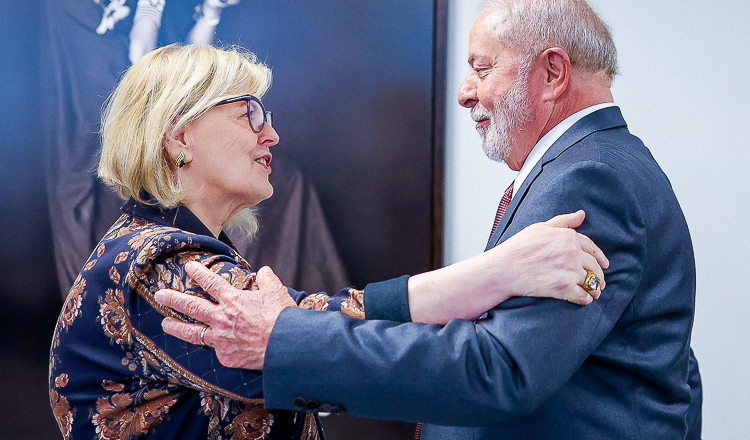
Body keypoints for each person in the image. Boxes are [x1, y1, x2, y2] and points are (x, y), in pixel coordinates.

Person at [155, 1, 703, 439]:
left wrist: (286, 339)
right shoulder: (597, 167)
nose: (465, 93)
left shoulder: (591, 180)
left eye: (482, 69)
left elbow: (499, 369)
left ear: (553, 73)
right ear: (178, 137)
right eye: (247, 114)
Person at [49, 43, 609, 440]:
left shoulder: (161, 251)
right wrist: (501, 272)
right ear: (179, 135)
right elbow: (307, 335)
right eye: (249, 112)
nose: (271, 133)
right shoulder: (155, 263)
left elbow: (306, 328)